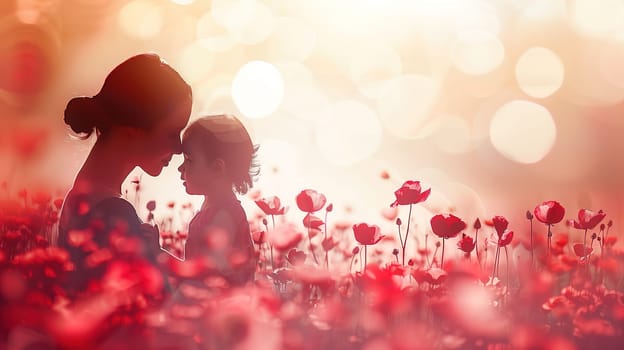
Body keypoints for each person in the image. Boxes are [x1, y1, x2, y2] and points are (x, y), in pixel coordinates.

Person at [58, 53, 192, 294]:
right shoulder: (114, 213)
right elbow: (157, 305)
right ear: (133, 129)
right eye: (173, 132)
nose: (179, 148)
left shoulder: (80, 197)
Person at [176, 114, 259, 287]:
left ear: (217, 168)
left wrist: (159, 254)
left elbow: (206, 278)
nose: (180, 168)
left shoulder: (223, 217)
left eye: (189, 160)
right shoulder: (216, 208)